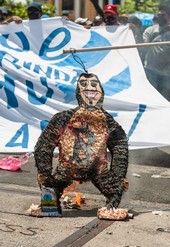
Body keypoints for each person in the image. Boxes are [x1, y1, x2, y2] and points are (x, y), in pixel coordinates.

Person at [34, 72, 129, 219]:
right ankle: (49, 207)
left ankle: (110, 208)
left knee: (115, 190)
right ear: (78, 91)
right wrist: (44, 173)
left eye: (94, 85)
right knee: (51, 188)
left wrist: (118, 176)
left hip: (98, 170)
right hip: (67, 168)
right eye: (84, 84)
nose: (89, 88)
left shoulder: (107, 121)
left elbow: (120, 145)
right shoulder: (63, 118)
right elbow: (44, 144)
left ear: (101, 92)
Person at [143, 5, 170, 102]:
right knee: (150, 100)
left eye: (163, 15)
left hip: (168, 74)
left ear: (169, 17)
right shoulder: (150, 31)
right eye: (158, 15)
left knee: (165, 102)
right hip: (151, 71)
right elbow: (142, 47)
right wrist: (133, 32)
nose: (160, 17)